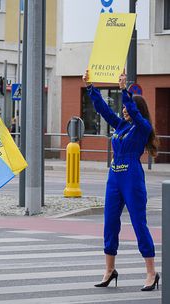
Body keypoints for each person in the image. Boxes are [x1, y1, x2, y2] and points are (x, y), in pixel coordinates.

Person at [83, 70, 159, 291]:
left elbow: (135, 112)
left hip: (132, 177)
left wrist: (125, 91)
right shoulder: (121, 126)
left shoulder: (143, 127)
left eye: (127, 107)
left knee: (138, 224)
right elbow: (104, 111)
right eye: (123, 107)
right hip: (114, 177)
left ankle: (151, 272)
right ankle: (109, 270)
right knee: (110, 224)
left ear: (136, 110)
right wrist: (91, 87)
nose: (124, 110)